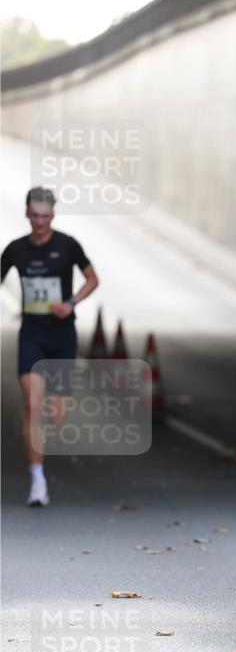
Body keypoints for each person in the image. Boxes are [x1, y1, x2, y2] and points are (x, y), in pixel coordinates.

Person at [1, 187, 99, 505]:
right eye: (35, 215)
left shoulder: (67, 245)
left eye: (45, 216)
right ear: (27, 213)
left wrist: (71, 302)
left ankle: (53, 412)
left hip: (61, 336)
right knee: (32, 405)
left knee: (57, 415)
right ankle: (38, 480)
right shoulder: (15, 250)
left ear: (52, 215)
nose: (40, 222)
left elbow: (92, 279)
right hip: (32, 332)